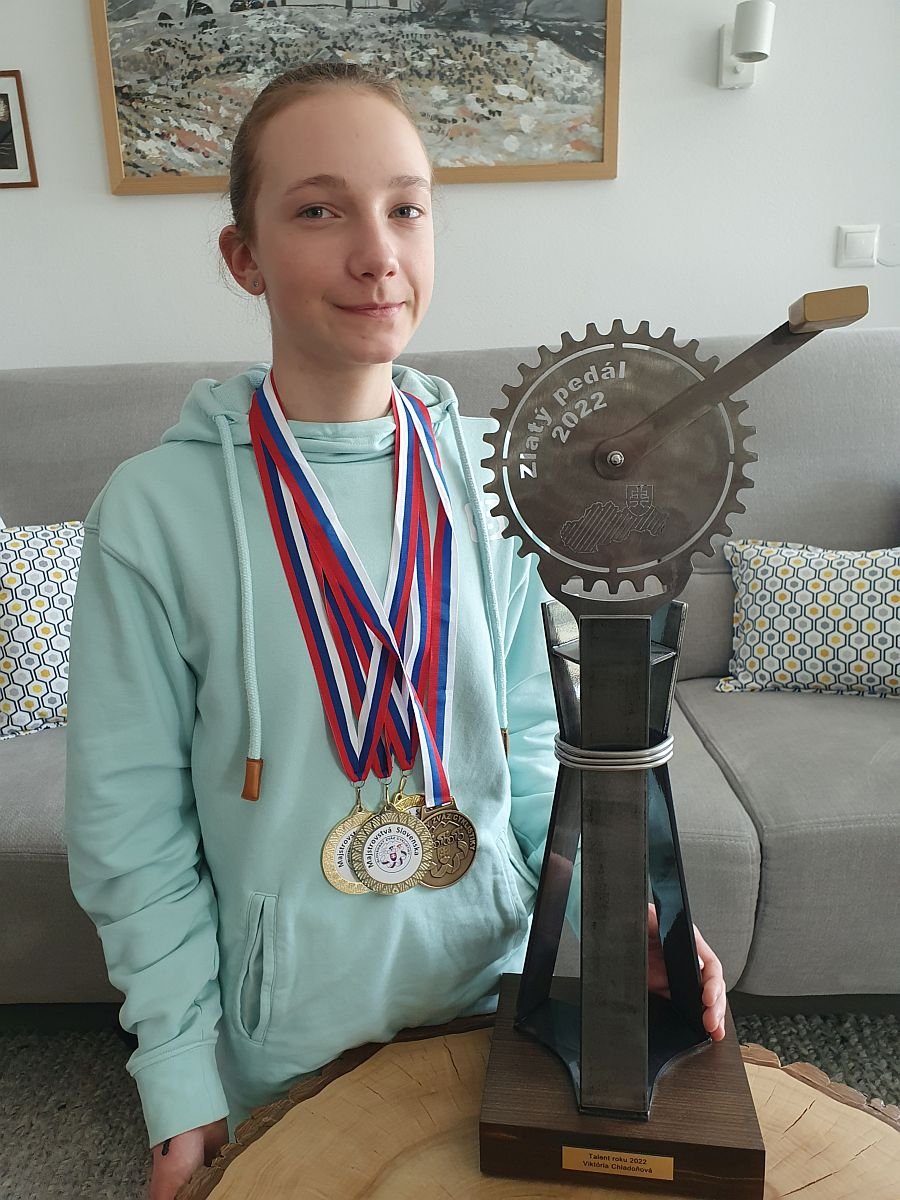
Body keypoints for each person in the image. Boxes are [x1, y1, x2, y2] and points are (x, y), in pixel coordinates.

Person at [64, 63, 727, 1200]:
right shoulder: (153, 513)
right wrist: (177, 1073)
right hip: (288, 1032)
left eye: (406, 207)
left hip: (500, 999)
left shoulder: (492, 476)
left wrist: (624, 922)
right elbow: (130, 827)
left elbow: (536, 744)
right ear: (244, 255)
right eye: (320, 210)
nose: (377, 253)